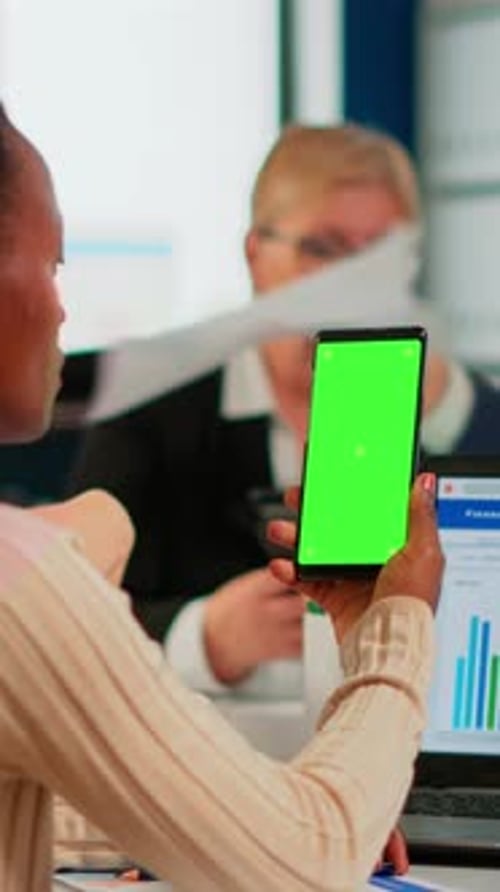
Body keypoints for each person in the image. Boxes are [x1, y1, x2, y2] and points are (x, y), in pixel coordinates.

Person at [0, 101, 445, 892]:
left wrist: (279, 805)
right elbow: (310, 861)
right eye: (54, 265)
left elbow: (38, 797)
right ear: (255, 253)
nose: (64, 308)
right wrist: (399, 618)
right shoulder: (29, 572)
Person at [70, 123, 500, 700]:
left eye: (381, 253)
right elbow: (64, 616)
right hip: (218, 758)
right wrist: (202, 637)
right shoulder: (155, 412)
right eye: (323, 248)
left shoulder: (473, 415)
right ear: (255, 252)